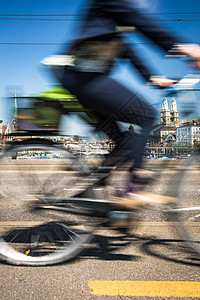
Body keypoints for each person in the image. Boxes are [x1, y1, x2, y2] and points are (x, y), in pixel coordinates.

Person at [52, 0, 200, 208]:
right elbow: (142, 23)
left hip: (81, 83)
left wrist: (156, 79)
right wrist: (187, 49)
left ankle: (86, 193)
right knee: (147, 115)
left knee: (124, 142)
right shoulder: (110, 4)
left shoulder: (115, 33)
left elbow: (132, 56)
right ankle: (132, 189)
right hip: (85, 79)